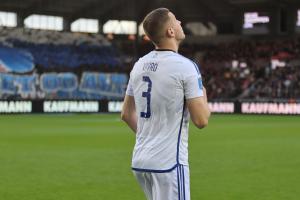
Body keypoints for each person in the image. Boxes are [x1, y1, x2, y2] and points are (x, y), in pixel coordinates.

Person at [121, 8, 211, 200]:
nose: (180, 22)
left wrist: (152, 137)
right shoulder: (185, 66)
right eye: (176, 20)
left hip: (141, 161)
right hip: (168, 164)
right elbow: (201, 120)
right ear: (170, 31)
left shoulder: (139, 65)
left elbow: (126, 115)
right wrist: (203, 96)